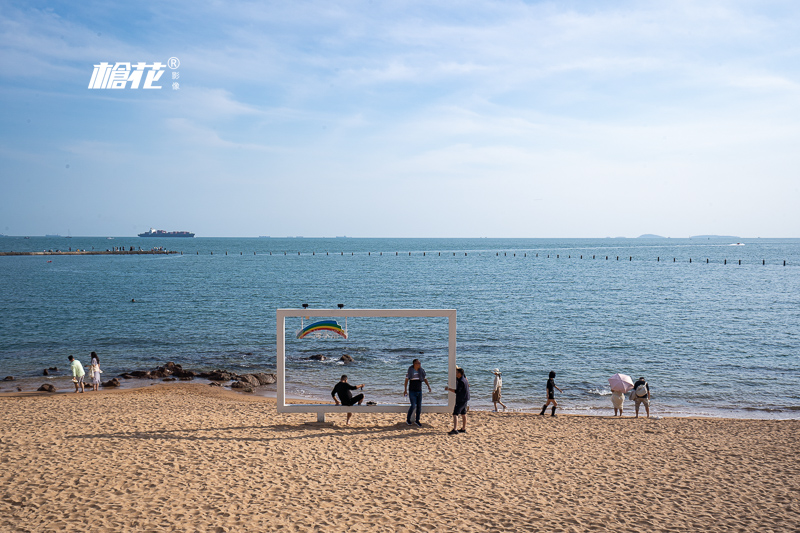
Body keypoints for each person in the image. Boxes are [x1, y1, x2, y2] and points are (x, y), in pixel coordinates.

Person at [403, 359, 431, 427]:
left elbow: (425, 379)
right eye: (418, 363)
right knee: (413, 406)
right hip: (412, 391)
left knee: (419, 406)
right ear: (414, 364)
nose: (419, 364)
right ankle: (408, 419)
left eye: (420, 363)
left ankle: (417, 420)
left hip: (419, 390)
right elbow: (406, 381)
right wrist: (405, 390)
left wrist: (428, 386)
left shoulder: (421, 371)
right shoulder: (410, 371)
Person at [444, 368, 470, 435]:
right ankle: (463, 428)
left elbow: (457, 391)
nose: (455, 374)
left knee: (455, 414)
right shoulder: (464, 379)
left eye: (456, 373)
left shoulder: (461, 381)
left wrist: (448, 389)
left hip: (461, 399)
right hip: (465, 398)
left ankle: (455, 429)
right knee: (463, 414)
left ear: (459, 374)